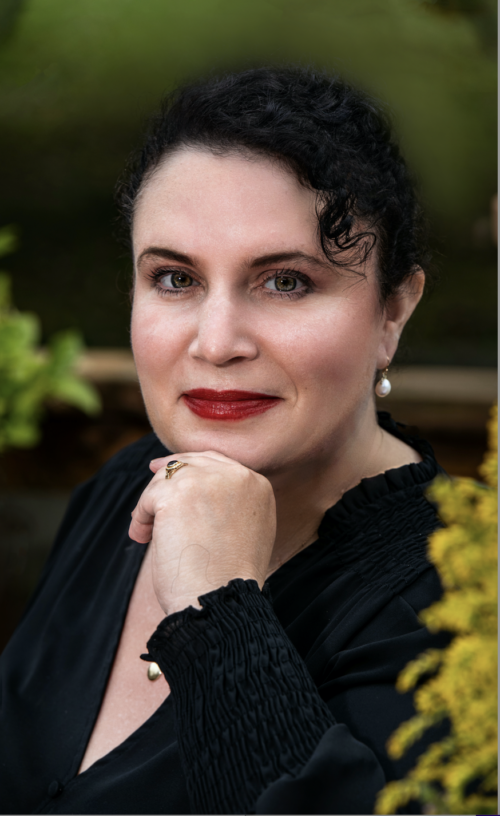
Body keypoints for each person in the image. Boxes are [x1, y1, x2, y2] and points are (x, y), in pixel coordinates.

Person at [0, 67, 450, 815]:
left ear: (393, 312)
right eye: (175, 279)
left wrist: (219, 609)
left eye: (287, 283)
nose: (216, 342)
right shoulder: (123, 488)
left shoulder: (459, 605)